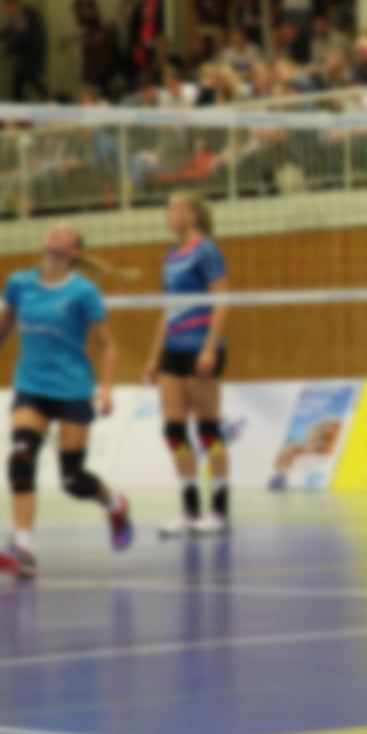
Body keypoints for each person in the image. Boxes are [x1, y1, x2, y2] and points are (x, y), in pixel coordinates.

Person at [0, 223, 133, 578]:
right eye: (53, 231)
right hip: (31, 387)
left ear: (75, 251)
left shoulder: (83, 291)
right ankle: (23, 547)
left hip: (73, 388)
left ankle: (115, 503)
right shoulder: (20, 283)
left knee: (72, 479)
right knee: (20, 457)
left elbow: (108, 344)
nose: (56, 234)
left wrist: (106, 388)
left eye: (66, 234)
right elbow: (3, 322)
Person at [145, 193, 231, 538]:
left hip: (200, 349)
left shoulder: (206, 250)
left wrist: (210, 348)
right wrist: (154, 356)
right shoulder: (170, 256)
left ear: (194, 214)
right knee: (174, 431)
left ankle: (220, 509)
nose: (170, 213)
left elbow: (222, 300)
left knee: (208, 431)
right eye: (168, 207)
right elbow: (168, 309)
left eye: (177, 207)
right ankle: (190, 508)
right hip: (173, 350)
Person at [0, 0, 48, 102]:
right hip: (24, 59)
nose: (7, 11)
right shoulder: (17, 17)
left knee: (31, 83)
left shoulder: (27, 16)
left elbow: (24, 37)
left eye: (7, 8)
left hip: (31, 58)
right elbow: (10, 31)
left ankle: (51, 103)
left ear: (13, 4)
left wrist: (8, 50)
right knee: (21, 86)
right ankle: (47, 102)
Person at [130, 0, 164, 76]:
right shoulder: (142, 2)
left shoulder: (161, 0)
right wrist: (135, 40)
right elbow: (135, 21)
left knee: (155, 65)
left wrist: (158, 35)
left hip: (155, 37)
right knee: (142, 65)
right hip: (142, 37)